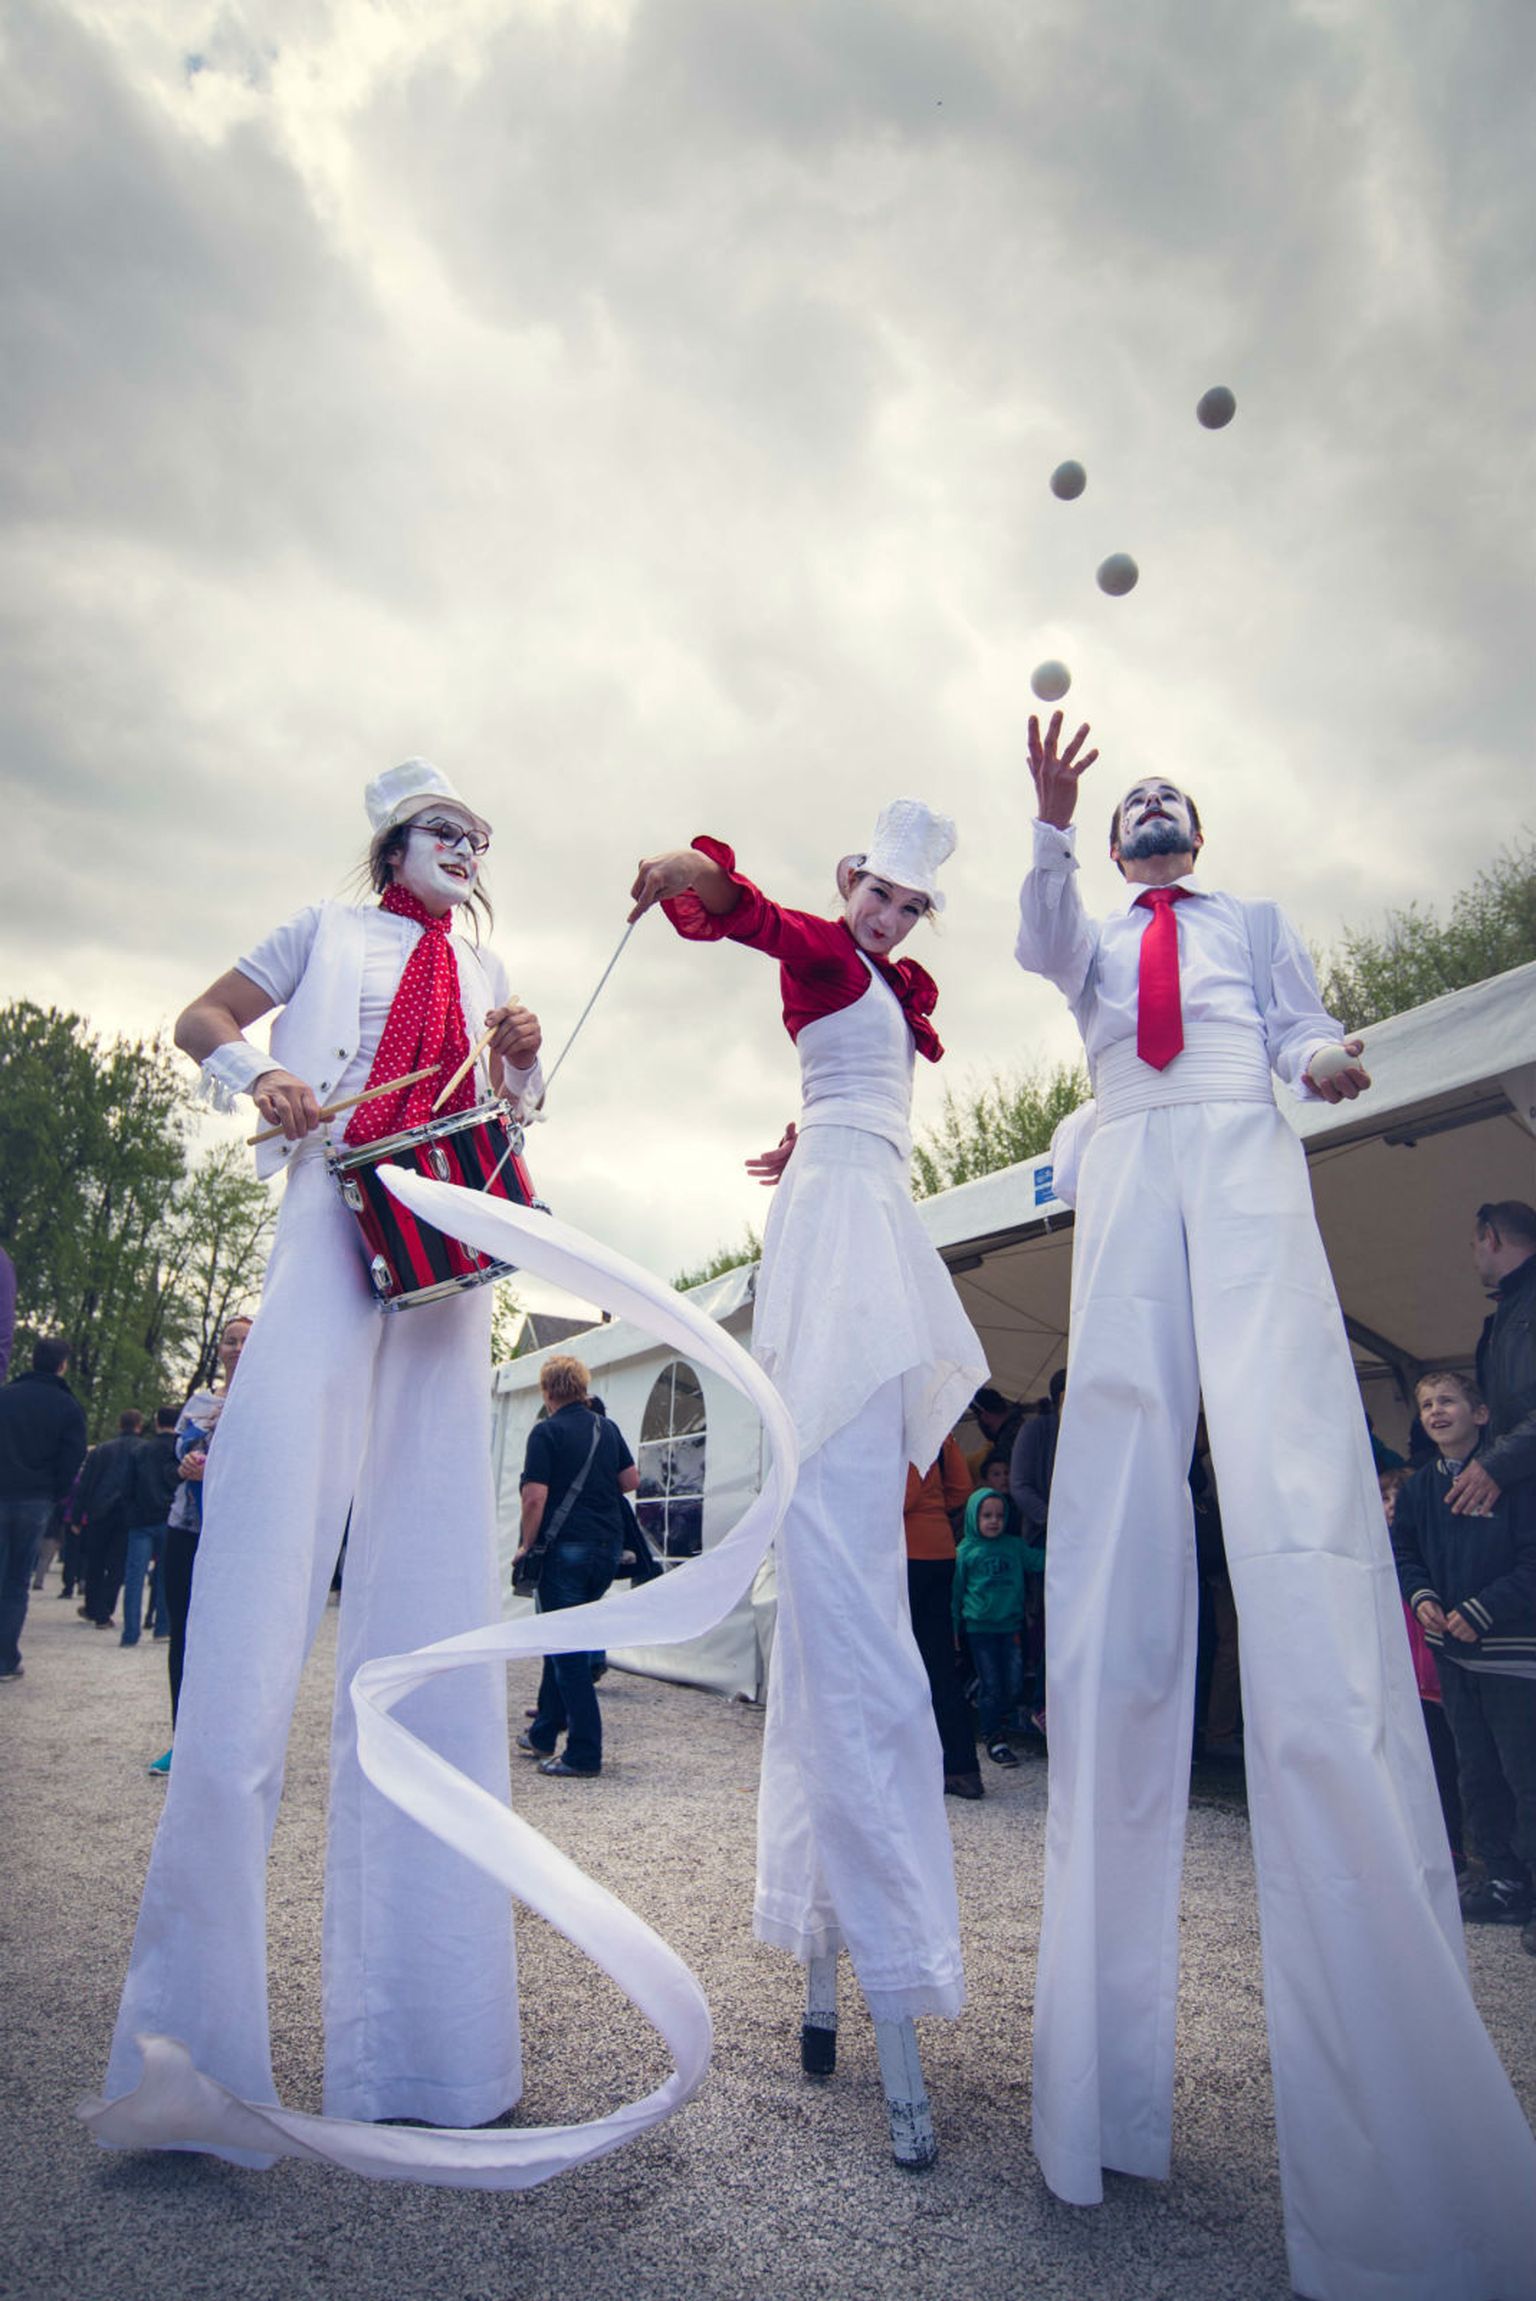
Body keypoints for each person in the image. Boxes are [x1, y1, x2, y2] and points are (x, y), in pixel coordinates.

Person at [1015, 714, 1536, 2300]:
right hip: (1128, 1156)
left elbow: (1305, 1028)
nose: (1151, 818)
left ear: (1198, 833)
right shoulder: (1097, 931)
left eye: (1167, 804)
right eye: (1134, 809)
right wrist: (1047, 822)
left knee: (1297, 1473)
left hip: (1242, 1143)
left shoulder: (1245, 923)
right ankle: (1094, 2087)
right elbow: (1040, 945)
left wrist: (1326, 1064)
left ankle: (1391, 2111)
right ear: (1120, 844)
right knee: (1117, 1479)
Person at [96, 760, 544, 2152]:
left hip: (444, 1246)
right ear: (394, 844)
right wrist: (266, 1071)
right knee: (259, 1572)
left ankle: (436, 2053)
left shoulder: (485, 968)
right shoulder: (321, 928)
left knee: (435, 1591)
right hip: (327, 1213)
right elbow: (201, 1017)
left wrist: (519, 1064)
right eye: (445, 830)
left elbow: (509, 1120)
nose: (466, 848)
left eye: (479, 835)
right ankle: (189, 2068)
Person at [630, 800, 986, 2165]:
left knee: (862, 1553)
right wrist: (700, 876)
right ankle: (875, 1959)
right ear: (851, 884)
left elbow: (857, 1080)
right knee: (843, 1569)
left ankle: (847, 1958)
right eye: (877, 894)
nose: (887, 917)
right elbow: (771, 929)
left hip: (864, 1200)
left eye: (908, 906)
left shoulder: (883, 986)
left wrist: (810, 1136)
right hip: (844, 1218)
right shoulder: (833, 953)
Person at [1392, 1372, 1536, 1940]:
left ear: (1480, 1414)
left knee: (1525, 1774)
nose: (1435, 1410)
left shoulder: (1517, 1482)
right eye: (1427, 1403)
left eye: (1447, 1400)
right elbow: (1405, 1551)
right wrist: (1422, 1596)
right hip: (1453, 1655)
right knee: (1476, 1773)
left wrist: (1482, 1610)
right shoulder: (1420, 1489)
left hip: (1512, 1654)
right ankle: (1502, 1880)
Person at [513, 1354, 638, 1778]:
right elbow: (630, 1481)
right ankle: (543, 1733)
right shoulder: (607, 1428)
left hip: (564, 1548)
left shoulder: (546, 1432)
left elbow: (534, 1497)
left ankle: (584, 1753)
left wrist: (527, 1545)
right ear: (583, 1387)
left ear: (547, 1391)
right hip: (607, 1548)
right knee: (565, 1637)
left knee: (566, 1651)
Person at [147, 1319, 253, 1775]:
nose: (236, 1348)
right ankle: (184, 1741)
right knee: (183, 1632)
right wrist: (186, 1466)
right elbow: (173, 1460)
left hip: (235, 1536)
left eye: (246, 1340)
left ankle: (232, 1743)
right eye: (230, 1341)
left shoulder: (264, 1402)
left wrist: (219, 1470)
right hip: (186, 1528)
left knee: (231, 1636)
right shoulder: (199, 1403)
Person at [0, 1338, 88, 1681]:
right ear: (62, 1365)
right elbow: (73, 1457)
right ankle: (5, 1658)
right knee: (16, 1580)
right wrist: (56, 1492)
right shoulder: (67, 1407)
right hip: (36, 1498)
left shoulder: (6, 1397)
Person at [902, 1433, 981, 1799]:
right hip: (940, 1549)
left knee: (904, 1661)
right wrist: (933, 1509)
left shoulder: (905, 1432)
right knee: (940, 1663)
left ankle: (918, 1763)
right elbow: (962, 1489)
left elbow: (904, 1497)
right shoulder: (943, 1432)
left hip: (909, 1552)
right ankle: (961, 1766)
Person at [1455, 1200, 1536, 1518]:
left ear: (1490, 1237)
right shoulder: (1505, 1314)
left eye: (1473, 1246)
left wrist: (1497, 1464)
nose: (1474, 1259)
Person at [951, 1489, 1027, 1769]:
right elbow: (956, 1594)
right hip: (979, 1629)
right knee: (993, 1683)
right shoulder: (965, 1552)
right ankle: (994, 1735)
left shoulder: (1014, 1547)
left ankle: (992, 1710)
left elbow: (1039, 1560)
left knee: (1015, 1681)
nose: (994, 1521)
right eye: (987, 1515)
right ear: (974, 1517)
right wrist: (954, 1629)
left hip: (1010, 1626)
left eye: (999, 1515)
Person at [75, 1409, 145, 1629]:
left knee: (95, 1561)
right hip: (128, 1513)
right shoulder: (143, 1449)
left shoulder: (101, 1450)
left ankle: (93, 1605)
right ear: (139, 1426)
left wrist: (77, 1515)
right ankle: (105, 1608)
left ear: (119, 1424)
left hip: (99, 1510)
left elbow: (85, 1484)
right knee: (117, 1564)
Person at [121, 1408, 180, 1647]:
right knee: (166, 1576)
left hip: (141, 1518)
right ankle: (162, 1627)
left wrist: (130, 1513)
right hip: (169, 1517)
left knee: (134, 1577)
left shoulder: (141, 1450)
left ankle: (130, 1632)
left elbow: (127, 1486)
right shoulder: (179, 1450)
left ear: (156, 1422)